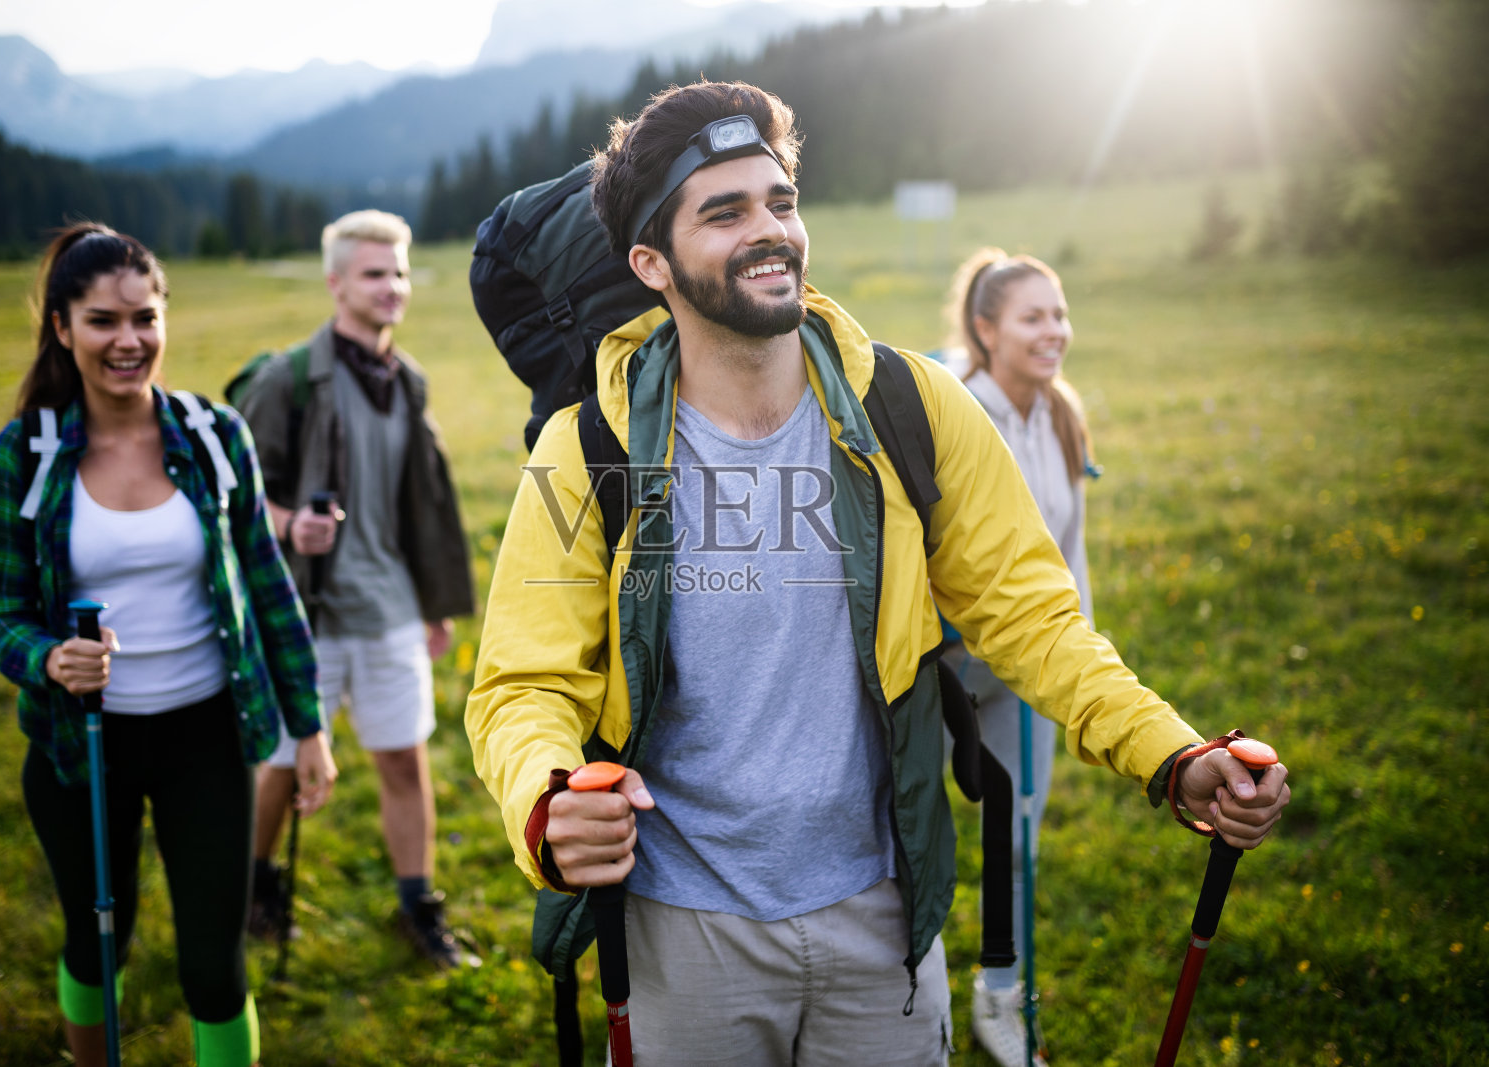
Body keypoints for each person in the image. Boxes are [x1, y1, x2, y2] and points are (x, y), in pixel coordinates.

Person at [465, 80, 1291, 1065]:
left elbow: (1033, 617)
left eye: (779, 201)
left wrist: (1171, 753)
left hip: (880, 915)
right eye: (723, 212)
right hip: (680, 930)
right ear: (652, 262)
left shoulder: (912, 405)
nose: (768, 230)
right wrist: (548, 800)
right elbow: (524, 684)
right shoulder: (586, 448)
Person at [0, 222, 337, 1067]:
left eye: (144, 317)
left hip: (206, 738)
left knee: (215, 967)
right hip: (80, 743)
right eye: (103, 320)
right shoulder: (29, 453)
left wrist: (308, 725)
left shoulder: (213, 438)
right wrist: (47, 658)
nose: (128, 340)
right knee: (100, 943)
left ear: (165, 317)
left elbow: (271, 589)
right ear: (62, 327)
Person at [234, 209, 476, 968]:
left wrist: (434, 603)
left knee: (403, 760)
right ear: (336, 282)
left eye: (399, 272)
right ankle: (255, 888)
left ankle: (418, 906)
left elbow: (420, 504)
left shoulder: (407, 382)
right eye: (374, 273)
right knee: (278, 763)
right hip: (305, 613)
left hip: (391, 606)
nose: (391, 287)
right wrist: (285, 524)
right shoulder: (288, 381)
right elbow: (231, 493)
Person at [939, 248, 1097, 1066]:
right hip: (935, 672)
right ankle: (907, 999)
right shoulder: (954, 413)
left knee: (1017, 842)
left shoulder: (1062, 414)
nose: (1054, 331)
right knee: (907, 837)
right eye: (1034, 317)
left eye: (1059, 314)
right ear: (985, 328)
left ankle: (999, 1000)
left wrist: (1079, 669)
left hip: (1021, 672)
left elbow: (1070, 562)